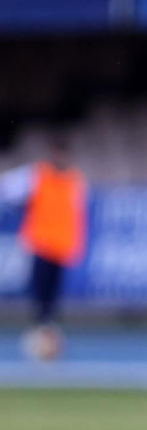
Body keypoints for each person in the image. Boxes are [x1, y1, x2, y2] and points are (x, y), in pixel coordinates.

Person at [0, 133, 86, 361]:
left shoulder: (74, 180)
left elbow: (75, 215)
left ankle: (48, 336)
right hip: (41, 244)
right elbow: (7, 189)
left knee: (52, 297)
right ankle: (42, 335)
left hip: (61, 246)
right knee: (40, 294)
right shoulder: (37, 175)